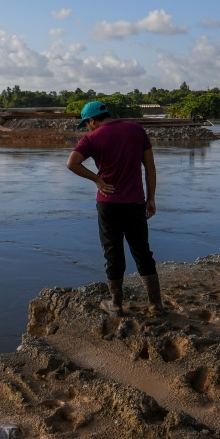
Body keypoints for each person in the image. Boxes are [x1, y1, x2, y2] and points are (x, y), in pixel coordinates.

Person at [65, 101, 163, 315]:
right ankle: (156, 304)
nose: (88, 128)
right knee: (142, 252)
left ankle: (116, 304)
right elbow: (150, 166)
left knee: (113, 253)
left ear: (92, 120)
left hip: (108, 203)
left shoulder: (92, 138)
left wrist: (97, 180)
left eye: (87, 124)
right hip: (135, 202)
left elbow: (72, 163)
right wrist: (152, 198)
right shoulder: (136, 130)